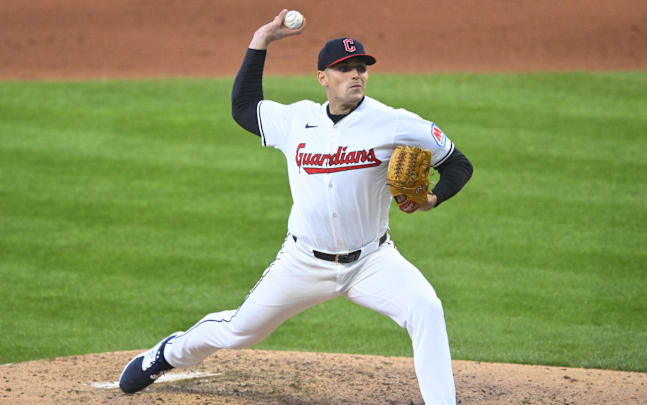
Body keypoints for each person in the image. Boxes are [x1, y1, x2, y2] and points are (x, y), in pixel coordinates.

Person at [119, 10, 473, 404]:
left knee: (426, 307)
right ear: (323, 78)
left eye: (361, 68)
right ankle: (164, 355)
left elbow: (458, 164)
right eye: (344, 69)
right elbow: (243, 108)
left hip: (372, 262)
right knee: (240, 330)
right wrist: (261, 40)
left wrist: (433, 198)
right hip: (303, 261)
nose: (355, 75)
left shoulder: (393, 123)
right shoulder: (296, 119)